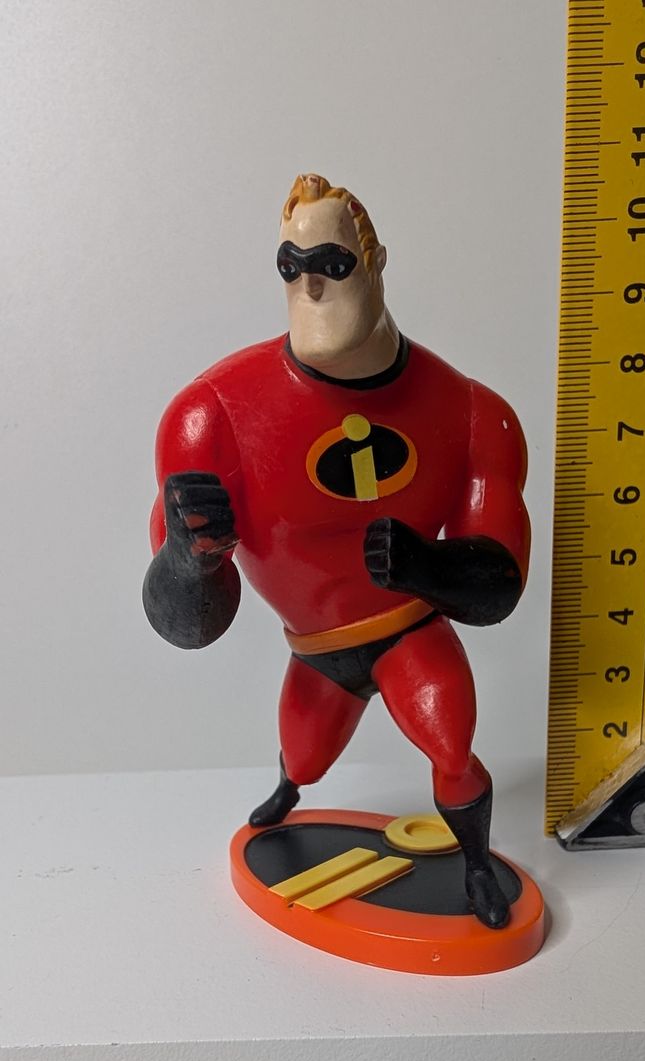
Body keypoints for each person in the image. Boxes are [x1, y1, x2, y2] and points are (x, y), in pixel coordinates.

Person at [143, 173, 530, 929]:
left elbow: (499, 583)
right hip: (316, 645)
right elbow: (190, 625)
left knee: (451, 744)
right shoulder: (210, 415)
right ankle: (288, 793)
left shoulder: (474, 413)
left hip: (408, 626)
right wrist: (192, 557)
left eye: (332, 263)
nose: (311, 286)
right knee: (306, 757)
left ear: (375, 261)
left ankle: (479, 867)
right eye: (292, 267)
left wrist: (427, 569)